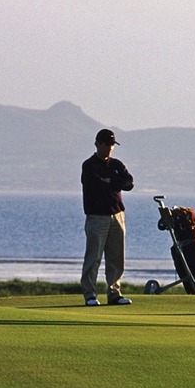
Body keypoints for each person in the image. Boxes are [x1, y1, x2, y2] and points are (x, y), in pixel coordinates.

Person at [80, 128, 135, 306]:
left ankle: (114, 293)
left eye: (112, 145)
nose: (110, 148)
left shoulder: (117, 165)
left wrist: (110, 182)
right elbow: (96, 186)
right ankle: (90, 294)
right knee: (93, 258)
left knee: (116, 258)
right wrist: (114, 183)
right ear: (98, 144)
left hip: (117, 215)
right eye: (107, 144)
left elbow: (129, 183)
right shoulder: (89, 165)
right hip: (97, 217)